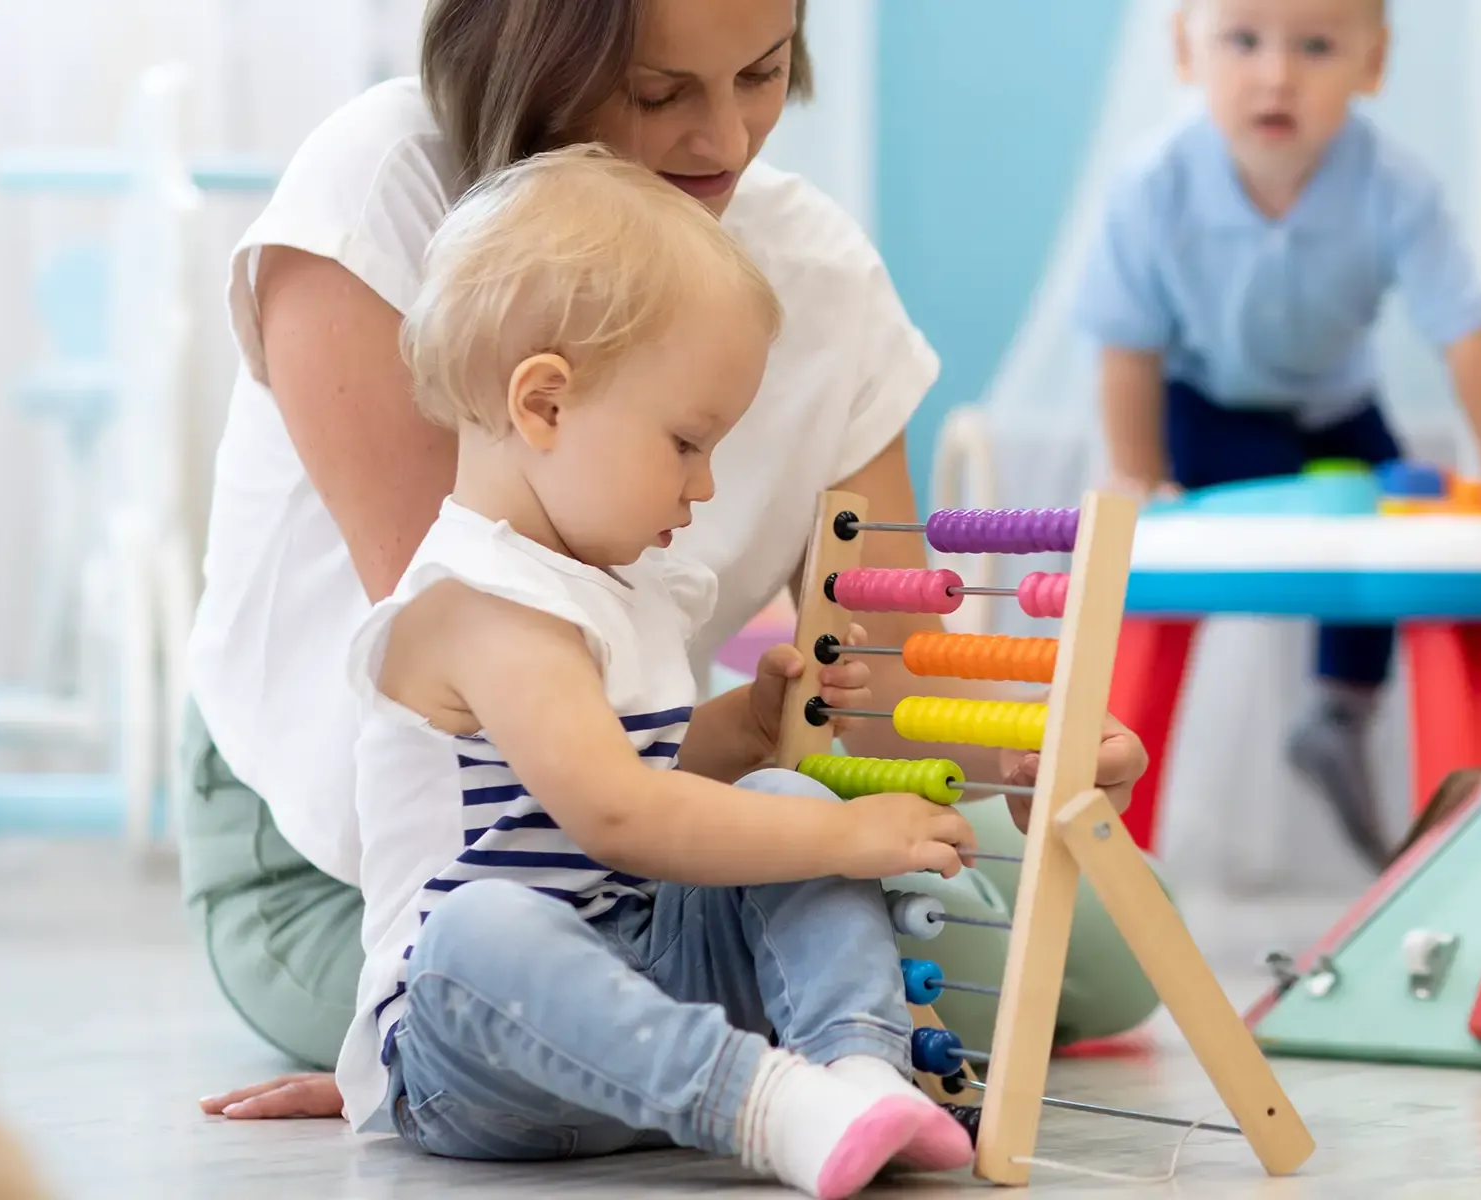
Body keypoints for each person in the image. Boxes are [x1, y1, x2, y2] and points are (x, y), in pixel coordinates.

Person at [185, 0, 1157, 1120]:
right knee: (884, 954)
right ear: (534, 54)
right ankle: (701, 1075)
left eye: (761, 73)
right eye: (660, 93)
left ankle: (814, 1068)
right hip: (378, 854)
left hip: (651, 795)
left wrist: (1024, 754)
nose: (727, 143)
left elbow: (880, 697)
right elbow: (528, 751)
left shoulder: (816, 275)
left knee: (1100, 940)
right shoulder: (383, 188)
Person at [337, 142, 978, 1194]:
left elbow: (657, 757)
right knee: (480, 928)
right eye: (686, 442)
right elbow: (620, 813)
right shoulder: (478, 606)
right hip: (475, 1055)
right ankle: (764, 1104)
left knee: (779, 790)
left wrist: (753, 726)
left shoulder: (615, 586)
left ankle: (861, 1072)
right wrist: (849, 829)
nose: (707, 483)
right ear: (544, 405)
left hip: (632, 996)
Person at [1074, 0, 1481, 870]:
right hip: (1206, 407)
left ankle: (1341, 711)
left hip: (1336, 410)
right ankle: (1117, 779)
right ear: (1185, 51)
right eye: (1244, 41)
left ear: (1372, 65)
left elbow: (1467, 333)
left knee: (1390, 532)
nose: (1276, 74)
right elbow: (1128, 348)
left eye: (1316, 46)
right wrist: (1137, 471)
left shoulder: (1396, 187)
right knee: (1170, 556)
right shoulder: (1153, 184)